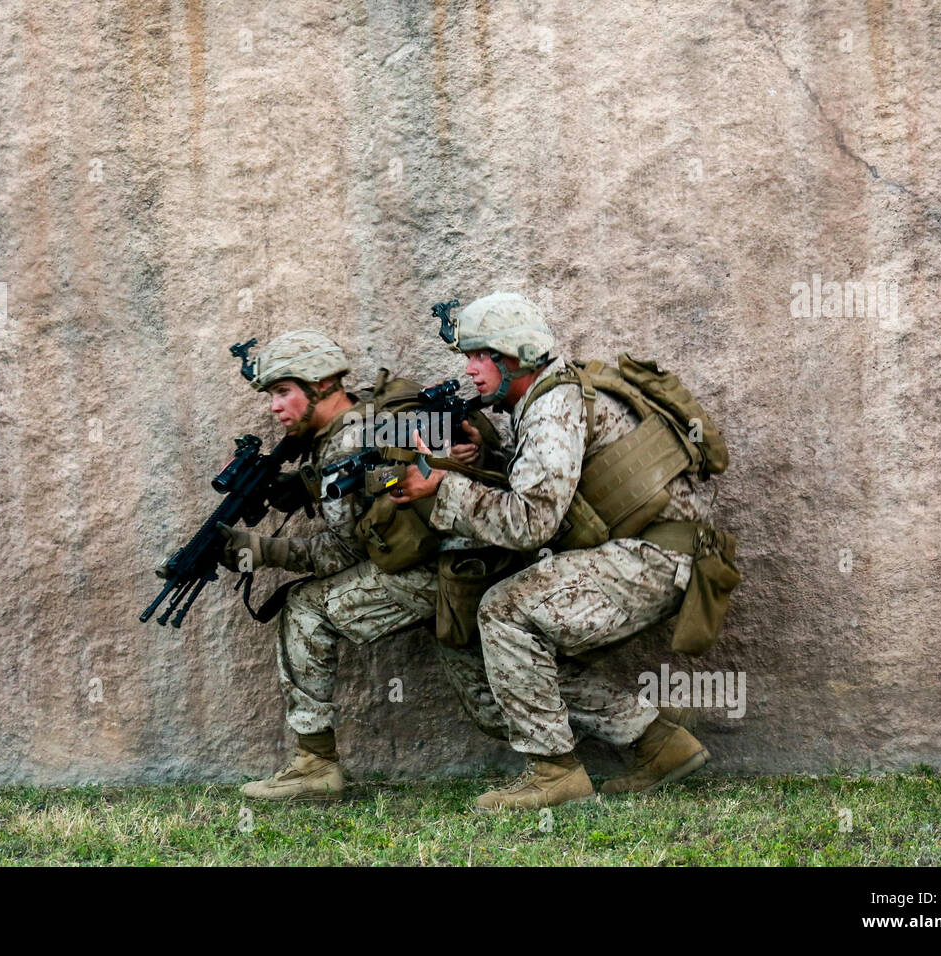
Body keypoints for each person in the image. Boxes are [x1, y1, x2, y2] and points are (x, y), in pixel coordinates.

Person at [393, 292, 721, 811]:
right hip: (638, 553)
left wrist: (441, 488)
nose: (472, 371)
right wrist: (481, 457)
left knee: (505, 611)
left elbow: (532, 521)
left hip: (652, 560)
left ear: (516, 357)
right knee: (513, 652)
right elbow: (541, 489)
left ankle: (554, 773)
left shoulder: (552, 407)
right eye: (469, 358)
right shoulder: (541, 399)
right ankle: (658, 743)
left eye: (482, 356)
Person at [220, 329, 482, 802]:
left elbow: (344, 554)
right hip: (466, 561)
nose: (275, 407)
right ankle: (648, 734)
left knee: (305, 607)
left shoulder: (344, 447)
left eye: (283, 392)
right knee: (492, 698)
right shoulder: (369, 416)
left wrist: (260, 550)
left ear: (320, 386)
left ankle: (315, 767)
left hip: (433, 573)